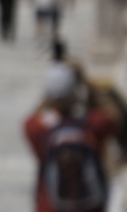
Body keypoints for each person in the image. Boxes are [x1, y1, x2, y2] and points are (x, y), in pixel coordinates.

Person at [24, 64, 116, 212]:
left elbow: (30, 120)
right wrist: (86, 81)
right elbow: (114, 116)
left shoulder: (39, 128)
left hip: (50, 205)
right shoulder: (91, 124)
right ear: (74, 92)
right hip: (90, 206)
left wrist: (49, 96)